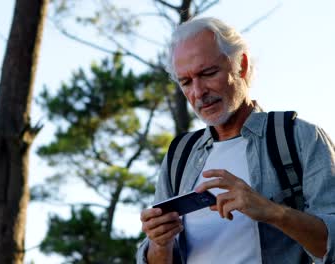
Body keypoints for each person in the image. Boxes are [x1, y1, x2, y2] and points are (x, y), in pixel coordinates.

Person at [136, 17, 335, 264]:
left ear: (240, 65)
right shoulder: (180, 155)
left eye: (208, 73)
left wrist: (274, 212)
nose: (198, 92)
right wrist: (159, 244)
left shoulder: (299, 137)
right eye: (186, 82)